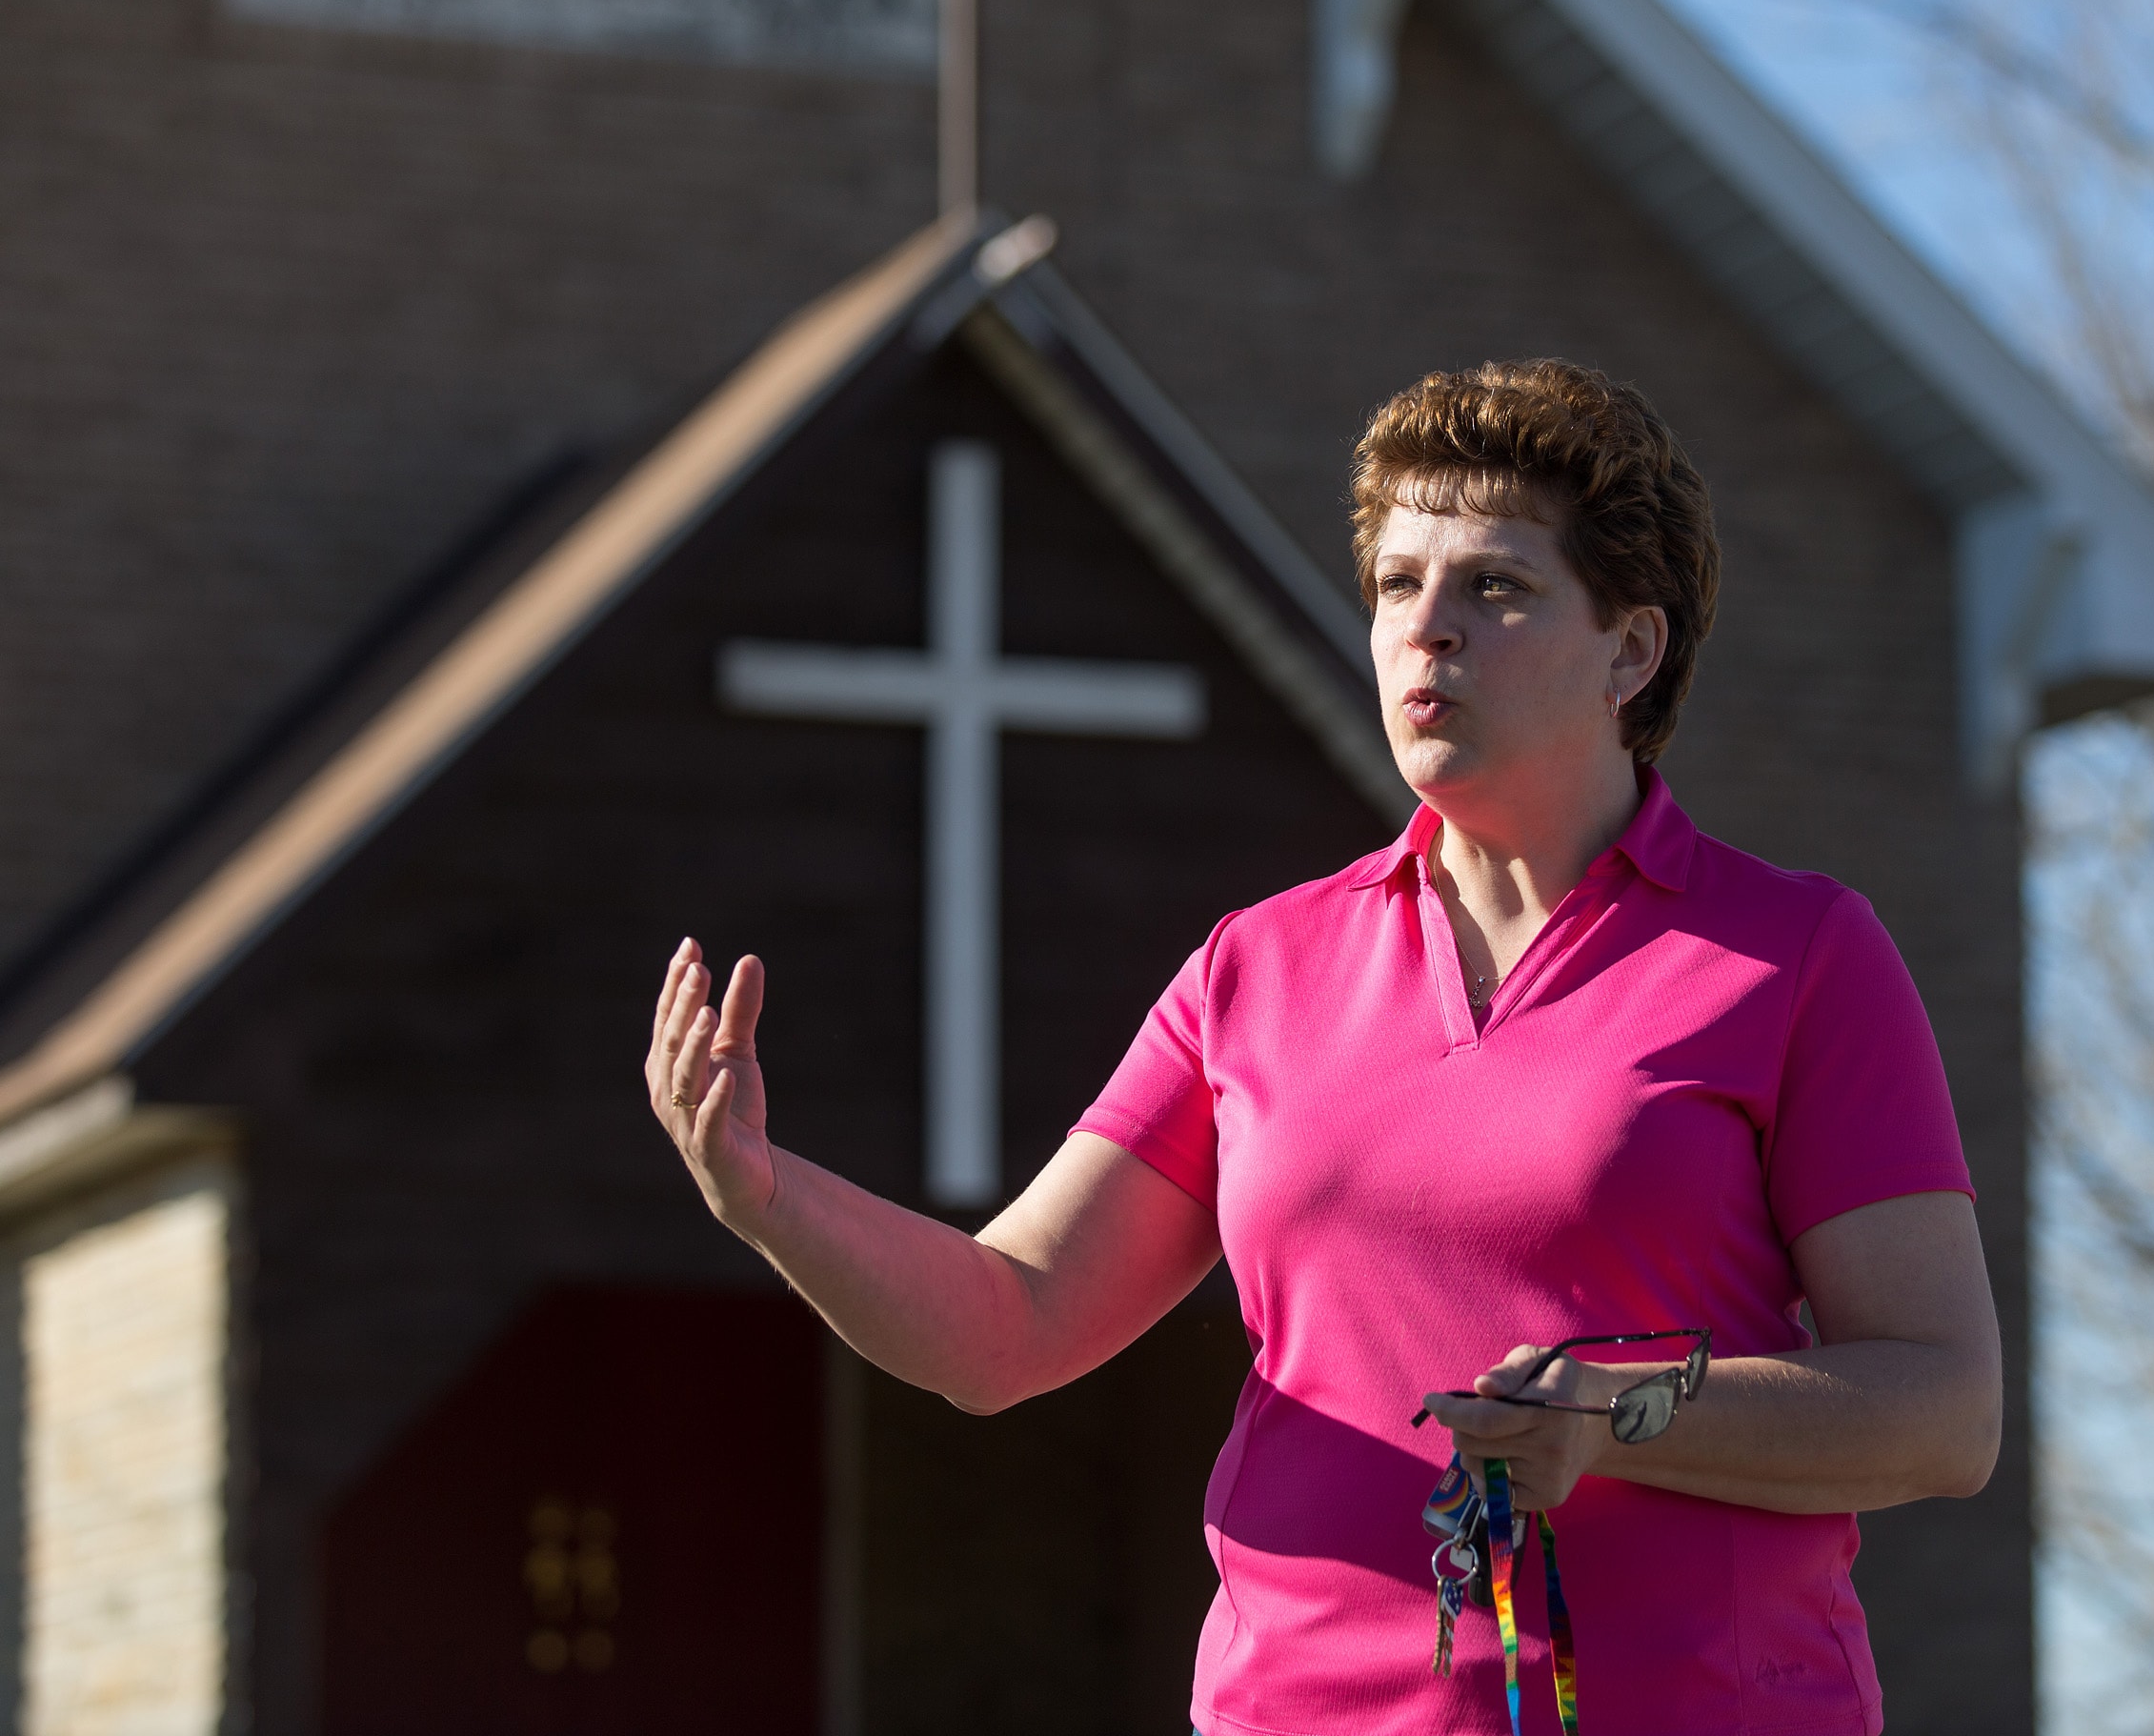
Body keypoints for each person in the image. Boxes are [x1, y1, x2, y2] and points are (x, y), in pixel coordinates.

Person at [644, 358, 2003, 1736]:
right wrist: (767, 1199)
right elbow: (1009, 1327)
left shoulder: (1798, 956)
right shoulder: (1258, 967)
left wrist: (1625, 1410)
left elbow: (1946, 1412)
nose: (1429, 632)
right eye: (1399, 586)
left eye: (1496, 586)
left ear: (1632, 652)